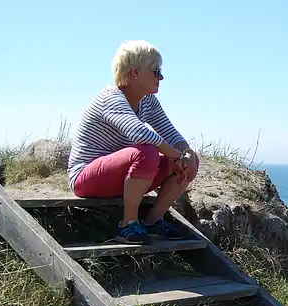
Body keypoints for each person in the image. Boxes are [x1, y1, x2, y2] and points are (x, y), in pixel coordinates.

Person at [67, 40, 199, 245]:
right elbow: (140, 133)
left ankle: (152, 221)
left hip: (121, 177)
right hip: (86, 178)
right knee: (147, 152)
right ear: (135, 73)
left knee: (190, 160)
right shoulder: (110, 98)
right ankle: (128, 224)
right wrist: (174, 154)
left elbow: (172, 134)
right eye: (156, 71)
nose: (161, 77)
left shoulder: (148, 101)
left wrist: (187, 154)